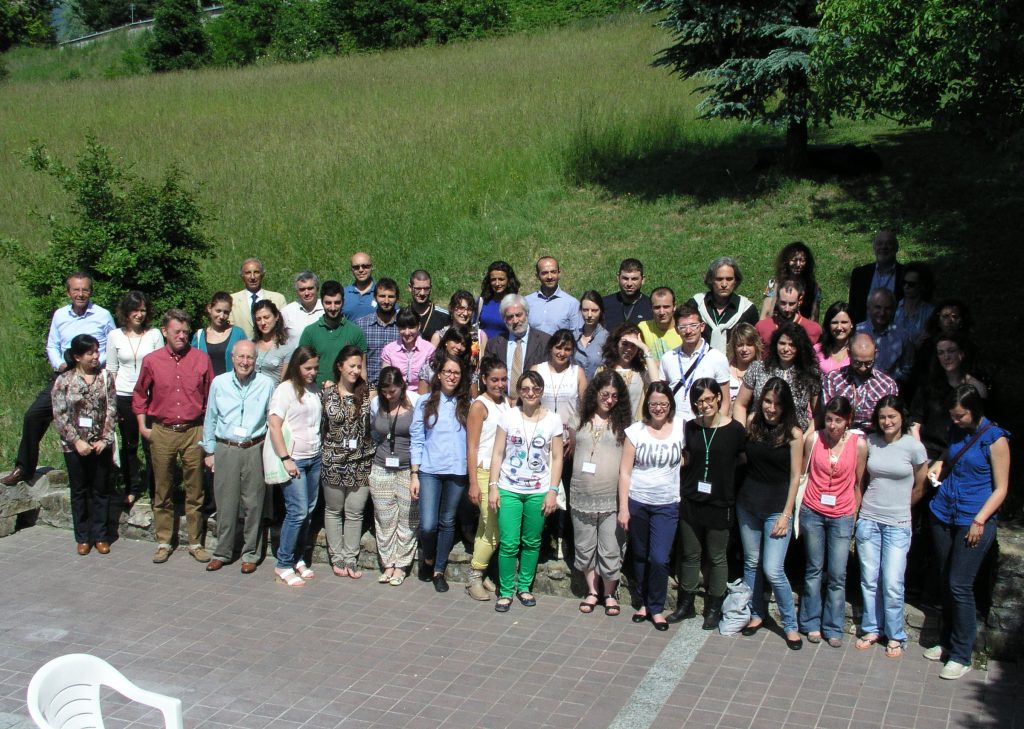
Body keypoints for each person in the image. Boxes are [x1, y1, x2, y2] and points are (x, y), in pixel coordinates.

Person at [924, 386, 1010, 680]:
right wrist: (938, 466)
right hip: (943, 512)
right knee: (946, 580)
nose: (955, 420)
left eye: (960, 415)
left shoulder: (995, 439)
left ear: (974, 410)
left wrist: (980, 519)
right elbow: (949, 457)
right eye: (952, 415)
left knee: (960, 584)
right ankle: (947, 641)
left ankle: (962, 654)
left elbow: (1001, 488)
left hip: (973, 518)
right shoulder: (956, 431)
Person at [2, 272, 115, 487]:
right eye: (76, 290)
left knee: (98, 424)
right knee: (34, 415)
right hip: (65, 375)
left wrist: (96, 365)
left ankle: (106, 481)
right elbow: (52, 345)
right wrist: (60, 365)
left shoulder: (103, 315)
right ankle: (24, 468)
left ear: (90, 292)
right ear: (68, 292)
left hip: (94, 376)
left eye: (85, 290)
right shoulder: (60, 315)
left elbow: (112, 345)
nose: (80, 294)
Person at [132, 310, 215, 564]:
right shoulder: (152, 360)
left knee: (195, 490)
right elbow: (140, 395)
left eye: (185, 332)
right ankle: (163, 541)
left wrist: (208, 431)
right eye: (176, 331)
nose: (181, 336)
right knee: (163, 488)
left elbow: (211, 397)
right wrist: (143, 427)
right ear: (165, 332)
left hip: (193, 430)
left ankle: (195, 542)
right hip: (163, 430)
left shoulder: (201, 359)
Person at [855, 396, 928, 657]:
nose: (887, 422)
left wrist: (903, 508)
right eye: (883, 417)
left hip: (898, 523)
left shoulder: (914, 447)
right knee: (869, 579)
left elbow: (920, 485)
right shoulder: (870, 442)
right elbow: (860, 479)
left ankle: (896, 634)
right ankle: (871, 628)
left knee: (893, 581)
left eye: (892, 416)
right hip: (869, 519)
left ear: (901, 417)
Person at [734, 378, 804, 649]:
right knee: (751, 563)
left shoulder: (794, 434)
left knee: (773, 569)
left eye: (776, 404)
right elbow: (743, 458)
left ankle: (790, 624)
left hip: (777, 508)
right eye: (767, 401)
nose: (771, 408)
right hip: (748, 504)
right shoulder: (753, 422)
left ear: (785, 406)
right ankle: (756, 614)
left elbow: (796, 476)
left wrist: (787, 514)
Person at [672, 379, 746, 629]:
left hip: (719, 502)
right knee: (690, 554)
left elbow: (742, 460)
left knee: (716, 557)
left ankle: (714, 607)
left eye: (708, 399)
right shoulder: (691, 428)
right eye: (699, 401)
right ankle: (686, 604)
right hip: (692, 499)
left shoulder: (735, 430)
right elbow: (687, 457)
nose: (704, 405)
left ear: (718, 397)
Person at [489, 371, 564, 612]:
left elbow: (557, 457)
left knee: (532, 542)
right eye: (525, 389)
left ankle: (524, 587)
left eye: (535, 388)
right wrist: (493, 486)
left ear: (541, 391)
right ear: (519, 392)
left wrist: (552, 491)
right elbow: (497, 453)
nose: (530, 393)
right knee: (509, 542)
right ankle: (505, 590)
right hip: (509, 487)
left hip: (538, 489)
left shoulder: (553, 420)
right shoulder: (508, 416)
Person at [201, 340, 275, 575]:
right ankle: (222, 552)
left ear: (256, 360)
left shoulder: (266, 384)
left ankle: (251, 553)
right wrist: (209, 451)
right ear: (232, 358)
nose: (245, 362)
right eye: (241, 357)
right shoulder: (219, 383)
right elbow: (211, 417)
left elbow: (271, 419)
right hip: (226, 448)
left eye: (250, 357)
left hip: (254, 447)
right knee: (226, 503)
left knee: (254, 503)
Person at [799, 396, 867, 647]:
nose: (833, 425)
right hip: (813, 510)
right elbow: (804, 472)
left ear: (848, 420)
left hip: (842, 513)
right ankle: (810, 622)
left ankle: (833, 626)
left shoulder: (859, 445)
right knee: (814, 569)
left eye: (838, 420)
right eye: (829, 419)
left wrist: (855, 513)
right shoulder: (814, 439)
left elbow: (859, 482)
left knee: (838, 573)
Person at [617, 382, 684, 631]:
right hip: (638, 500)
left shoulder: (681, 427)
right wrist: (624, 508)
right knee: (640, 555)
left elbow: (690, 456)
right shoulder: (635, 431)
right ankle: (644, 603)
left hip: (667, 503)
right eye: (654, 403)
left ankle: (657, 606)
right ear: (647, 405)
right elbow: (625, 472)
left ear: (670, 405)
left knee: (659, 557)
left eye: (663, 404)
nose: (658, 408)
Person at [410, 354, 472, 592]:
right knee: (428, 524)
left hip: (457, 470)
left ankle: (438, 569)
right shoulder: (424, 402)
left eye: (456, 373)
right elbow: (417, 438)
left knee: (447, 521)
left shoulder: (467, 404)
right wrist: (414, 473)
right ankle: (427, 558)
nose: (452, 376)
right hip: (430, 469)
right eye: (448, 371)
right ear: (439, 374)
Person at [51, 334, 118, 555]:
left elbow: (111, 409)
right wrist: (76, 441)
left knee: (101, 489)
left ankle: (101, 535)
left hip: (99, 444)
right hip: (74, 445)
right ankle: (82, 537)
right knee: (79, 490)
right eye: (90, 353)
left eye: (97, 351)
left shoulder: (105, 378)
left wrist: (104, 439)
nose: (95, 356)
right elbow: (60, 415)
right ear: (77, 357)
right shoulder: (64, 380)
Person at [571, 370, 630, 616]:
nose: (609, 400)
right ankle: (593, 591)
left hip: (611, 498)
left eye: (615, 396)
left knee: (611, 547)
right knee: (585, 546)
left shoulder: (625, 424)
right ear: (595, 393)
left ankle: (609, 594)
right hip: (581, 494)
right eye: (605, 394)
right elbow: (570, 448)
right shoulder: (579, 418)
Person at [267, 345, 322, 587]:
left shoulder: (314, 389)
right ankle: (283, 563)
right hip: (294, 458)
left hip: (314, 457)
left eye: (315, 368)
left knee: (307, 512)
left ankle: (298, 557)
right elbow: (274, 425)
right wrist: (285, 458)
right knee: (297, 511)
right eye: (307, 368)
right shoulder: (285, 390)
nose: (312, 372)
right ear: (296, 366)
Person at [321, 345, 374, 579]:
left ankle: (351, 557)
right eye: (351, 366)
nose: (355, 371)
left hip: (361, 461)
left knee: (355, 512)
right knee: (334, 510)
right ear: (339, 366)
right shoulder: (327, 394)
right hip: (334, 461)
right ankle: (337, 556)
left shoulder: (369, 393)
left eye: (359, 366)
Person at [105, 291, 163, 506]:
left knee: (151, 445)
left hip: (149, 397)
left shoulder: (154, 334)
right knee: (129, 444)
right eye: (135, 310)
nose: (139, 314)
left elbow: (161, 366)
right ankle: (132, 488)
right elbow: (111, 369)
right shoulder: (115, 336)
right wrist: (111, 401)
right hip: (124, 395)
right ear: (126, 312)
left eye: (143, 310)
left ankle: (156, 490)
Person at [368, 367, 421, 586]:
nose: (389, 395)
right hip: (381, 466)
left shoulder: (415, 402)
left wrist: (416, 472)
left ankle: (401, 564)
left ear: (402, 387)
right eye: (385, 391)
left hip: (407, 467)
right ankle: (388, 562)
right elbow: (374, 429)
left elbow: (419, 437)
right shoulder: (376, 404)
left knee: (408, 517)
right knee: (384, 517)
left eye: (393, 391)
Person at [465, 356, 510, 601]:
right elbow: (471, 447)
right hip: (483, 472)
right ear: (484, 379)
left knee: (485, 527)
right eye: (494, 380)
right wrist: (473, 482)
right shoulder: (479, 406)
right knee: (494, 529)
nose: (499, 384)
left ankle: (481, 573)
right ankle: (474, 576)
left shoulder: (507, 402)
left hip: (501, 474)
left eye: (503, 379)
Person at [910, 332, 988, 461]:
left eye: (951, 351)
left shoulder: (976, 388)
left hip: (962, 452)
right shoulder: (927, 386)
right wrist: (919, 453)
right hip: (928, 451)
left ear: (961, 353)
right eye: (941, 353)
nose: (946, 357)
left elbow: (980, 426)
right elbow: (915, 421)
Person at [733, 323, 821, 432]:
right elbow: (740, 404)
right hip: (758, 434)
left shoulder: (811, 374)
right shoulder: (758, 368)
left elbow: (818, 414)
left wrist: (805, 437)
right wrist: (741, 432)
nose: (786, 349)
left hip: (794, 436)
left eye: (792, 345)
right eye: (782, 343)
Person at [659, 304, 731, 423]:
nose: (688, 331)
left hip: (704, 425)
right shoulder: (668, 358)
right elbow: (662, 395)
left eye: (693, 326)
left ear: (702, 327)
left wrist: (716, 427)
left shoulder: (717, 358)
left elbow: (725, 401)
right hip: (673, 424)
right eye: (683, 327)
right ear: (676, 330)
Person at [822, 333, 898, 433]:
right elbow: (830, 416)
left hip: (875, 436)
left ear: (875, 353)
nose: (863, 368)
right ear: (849, 353)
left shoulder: (887, 384)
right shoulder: (832, 379)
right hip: (841, 434)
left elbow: (890, 420)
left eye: (868, 363)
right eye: (857, 363)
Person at [298, 280, 367, 386]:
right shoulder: (310, 332)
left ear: (343, 302)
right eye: (328, 303)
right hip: (317, 391)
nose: (333, 308)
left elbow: (362, 370)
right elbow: (301, 368)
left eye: (337, 302)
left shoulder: (355, 332)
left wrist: (364, 392)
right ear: (322, 302)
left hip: (348, 392)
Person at [483, 294, 551, 399]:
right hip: (502, 403)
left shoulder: (545, 342)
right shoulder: (494, 344)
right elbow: (487, 377)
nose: (515, 321)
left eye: (519, 315)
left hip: (534, 401)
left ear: (527, 313)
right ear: (504, 319)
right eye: (510, 317)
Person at [687, 256, 758, 353]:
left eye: (729, 279)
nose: (724, 284)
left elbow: (755, 343)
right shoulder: (696, 305)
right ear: (711, 280)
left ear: (735, 281)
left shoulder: (747, 309)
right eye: (719, 279)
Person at [597, 324, 660, 422]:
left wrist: (645, 349)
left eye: (633, 345)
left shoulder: (642, 371)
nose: (629, 349)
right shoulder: (602, 370)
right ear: (616, 343)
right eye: (625, 344)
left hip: (635, 426)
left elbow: (656, 383)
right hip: (608, 426)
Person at [855, 288, 914, 384]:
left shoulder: (903, 336)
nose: (882, 313)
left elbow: (907, 369)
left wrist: (890, 383)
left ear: (893, 310)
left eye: (887, 308)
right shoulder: (856, 332)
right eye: (878, 307)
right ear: (869, 308)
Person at [848, 229, 905, 325]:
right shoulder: (860, 274)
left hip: (895, 330)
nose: (884, 247)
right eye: (880, 244)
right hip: (863, 330)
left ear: (896, 248)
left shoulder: (905, 274)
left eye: (889, 243)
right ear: (874, 248)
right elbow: (853, 306)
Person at [759, 242, 822, 322]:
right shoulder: (772, 283)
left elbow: (814, 319)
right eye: (794, 260)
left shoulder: (814, 288)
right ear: (786, 261)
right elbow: (765, 313)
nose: (798, 264)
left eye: (802, 260)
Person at [355, 277, 400, 383]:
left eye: (391, 296)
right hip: (369, 385)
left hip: (396, 385)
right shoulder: (361, 325)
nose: (386, 301)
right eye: (382, 296)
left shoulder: (405, 326)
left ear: (397, 298)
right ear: (375, 297)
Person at [755, 279, 822, 348]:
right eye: (783, 303)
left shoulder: (813, 330)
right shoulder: (761, 328)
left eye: (791, 304)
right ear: (777, 300)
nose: (787, 309)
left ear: (800, 301)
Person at [430, 290, 488, 371]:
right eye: (461, 308)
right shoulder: (439, 337)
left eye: (469, 309)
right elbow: (431, 367)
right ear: (452, 308)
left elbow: (481, 367)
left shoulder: (480, 336)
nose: (465, 313)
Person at [192, 292, 247, 377]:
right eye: (218, 311)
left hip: (232, 384)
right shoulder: (199, 336)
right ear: (209, 308)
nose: (221, 316)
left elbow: (247, 360)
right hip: (207, 384)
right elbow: (192, 364)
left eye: (226, 312)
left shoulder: (238, 334)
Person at [229, 258, 287, 339]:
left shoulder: (278, 298)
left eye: (256, 272)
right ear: (242, 276)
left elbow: (283, 327)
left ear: (262, 275)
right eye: (248, 273)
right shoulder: (232, 300)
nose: (252, 277)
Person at [525, 256, 583, 335]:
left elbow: (577, 336)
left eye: (553, 272)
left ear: (559, 273)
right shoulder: (526, 302)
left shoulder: (572, 304)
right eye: (545, 273)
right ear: (537, 276)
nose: (550, 277)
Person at [381, 309, 435, 393]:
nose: (407, 332)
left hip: (421, 395)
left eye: (411, 327)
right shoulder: (389, 350)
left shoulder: (429, 349)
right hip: (396, 395)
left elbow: (432, 380)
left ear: (419, 326)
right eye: (403, 328)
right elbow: (386, 380)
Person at [419, 327, 473, 394]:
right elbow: (422, 397)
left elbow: (473, 398)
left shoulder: (469, 371)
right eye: (456, 341)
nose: (459, 347)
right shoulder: (430, 368)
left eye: (463, 344)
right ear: (446, 341)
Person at [252, 300, 296, 383]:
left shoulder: (287, 347)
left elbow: (284, 382)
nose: (263, 322)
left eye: (266, 317)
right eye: (258, 319)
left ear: (276, 316)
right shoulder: (250, 344)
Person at [603, 258, 652, 329]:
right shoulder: (604, 304)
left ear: (643, 279)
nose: (629, 284)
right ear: (618, 278)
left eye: (634, 279)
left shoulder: (651, 307)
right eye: (625, 278)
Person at [893, 262, 934, 345]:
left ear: (922, 286)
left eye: (911, 284)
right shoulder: (894, 307)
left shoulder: (930, 312)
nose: (906, 287)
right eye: (904, 283)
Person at [478, 261, 520, 340]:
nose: (497, 283)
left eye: (501, 279)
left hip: (506, 346)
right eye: (493, 279)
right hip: (483, 347)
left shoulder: (516, 303)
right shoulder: (481, 302)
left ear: (508, 280)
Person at [281, 271, 324, 346]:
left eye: (310, 288)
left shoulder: (326, 309)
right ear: (297, 292)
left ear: (317, 289)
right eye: (302, 289)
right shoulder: (287, 312)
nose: (307, 293)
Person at [573, 290, 609, 381]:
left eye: (594, 311)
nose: (589, 315)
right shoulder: (573, 337)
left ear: (601, 311)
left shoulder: (607, 338)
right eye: (585, 310)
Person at [638, 287, 681, 362]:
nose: (662, 312)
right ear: (651, 308)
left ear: (674, 307)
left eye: (666, 307)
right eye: (657, 307)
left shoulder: (683, 330)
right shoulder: (643, 328)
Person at [408, 270, 451, 341]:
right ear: (410, 287)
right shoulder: (402, 314)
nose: (422, 293)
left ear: (431, 288)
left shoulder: (445, 316)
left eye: (426, 289)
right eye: (418, 289)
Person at [725, 322, 762, 404]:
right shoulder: (725, 370)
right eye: (740, 345)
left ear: (756, 346)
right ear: (734, 347)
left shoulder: (763, 371)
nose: (744, 349)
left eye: (749, 345)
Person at [814, 302, 854, 377]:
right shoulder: (817, 349)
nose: (839, 327)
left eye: (844, 322)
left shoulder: (858, 350)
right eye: (834, 323)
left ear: (851, 324)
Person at [343, 251, 377, 321]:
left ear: (372, 267)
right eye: (356, 267)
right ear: (351, 269)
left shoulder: (383, 292)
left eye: (365, 266)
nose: (361, 270)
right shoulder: (343, 293)